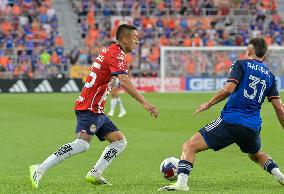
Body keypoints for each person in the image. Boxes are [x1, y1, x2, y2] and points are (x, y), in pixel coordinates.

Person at [29, 24, 159, 189]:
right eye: (135, 38)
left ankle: (95, 173)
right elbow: (124, 81)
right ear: (125, 39)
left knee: (119, 141)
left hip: (96, 109)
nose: (138, 42)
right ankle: (39, 168)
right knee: (82, 144)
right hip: (89, 107)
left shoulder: (111, 50)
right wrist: (145, 102)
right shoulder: (116, 54)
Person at [159, 37, 284, 191]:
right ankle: (280, 176)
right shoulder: (270, 77)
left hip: (231, 120)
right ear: (264, 56)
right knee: (256, 154)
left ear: (249, 51)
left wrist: (208, 104)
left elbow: (228, 89)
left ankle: (182, 183)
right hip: (252, 126)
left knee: (190, 146)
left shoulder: (241, 64)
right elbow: (279, 108)